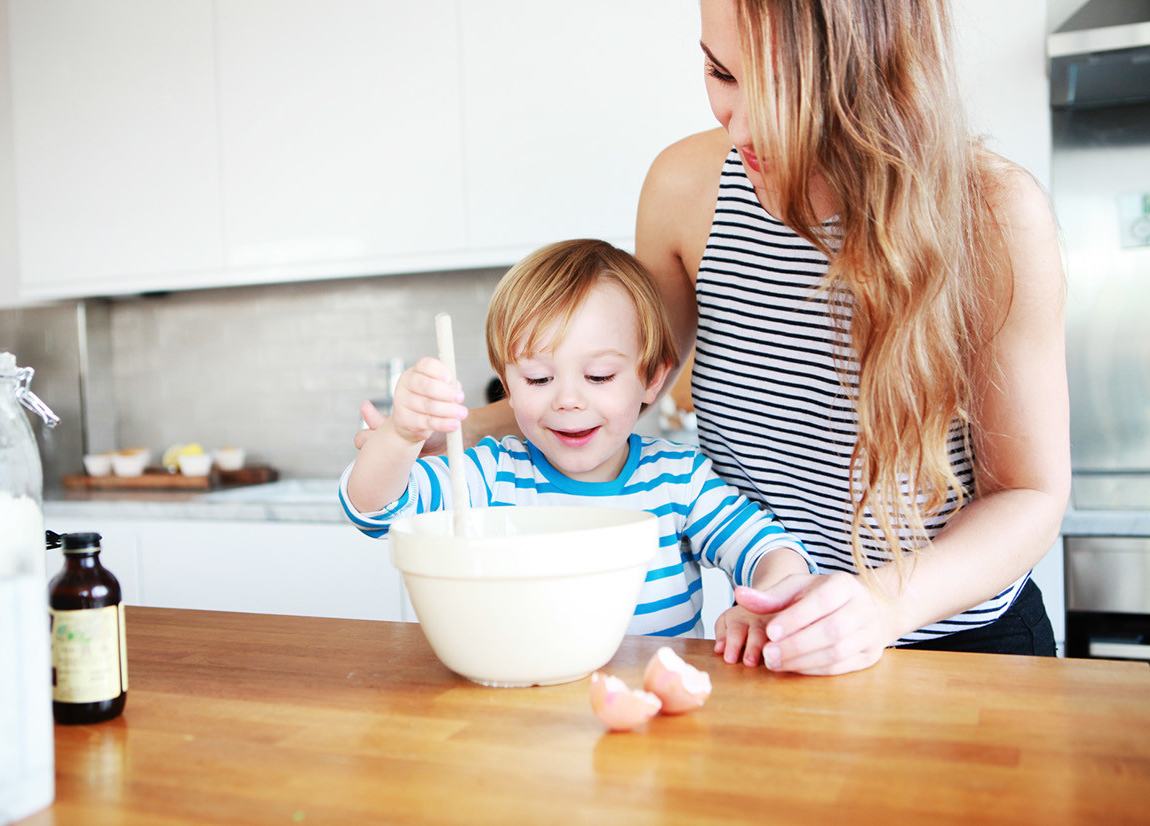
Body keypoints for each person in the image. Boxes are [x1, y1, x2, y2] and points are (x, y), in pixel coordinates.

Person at [359, 0, 1070, 675]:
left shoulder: (994, 216)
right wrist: (429, 432)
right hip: (766, 645)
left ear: (875, 77)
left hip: (964, 649)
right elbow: (614, 389)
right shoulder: (686, 189)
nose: (741, 128)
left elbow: (1030, 494)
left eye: (786, 89)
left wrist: (885, 605)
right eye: (722, 73)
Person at [341, 239, 816, 642]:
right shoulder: (491, 474)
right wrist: (402, 436)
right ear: (507, 386)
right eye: (539, 379)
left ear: (651, 379)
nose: (568, 400)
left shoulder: (679, 479)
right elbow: (373, 511)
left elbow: (768, 550)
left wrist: (770, 598)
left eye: (599, 375)